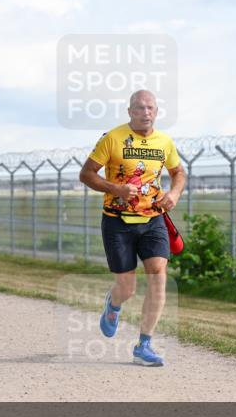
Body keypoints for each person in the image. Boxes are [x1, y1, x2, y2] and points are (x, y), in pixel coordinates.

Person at [78, 90, 186, 367]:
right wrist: (116, 189)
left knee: (158, 274)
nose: (145, 112)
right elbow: (86, 174)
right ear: (130, 111)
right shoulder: (113, 138)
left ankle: (144, 345)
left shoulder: (164, 142)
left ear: (156, 111)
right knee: (127, 288)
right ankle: (114, 304)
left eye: (150, 107)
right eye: (139, 107)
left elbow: (178, 172)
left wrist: (174, 193)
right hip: (118, 221)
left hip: (153, 219)